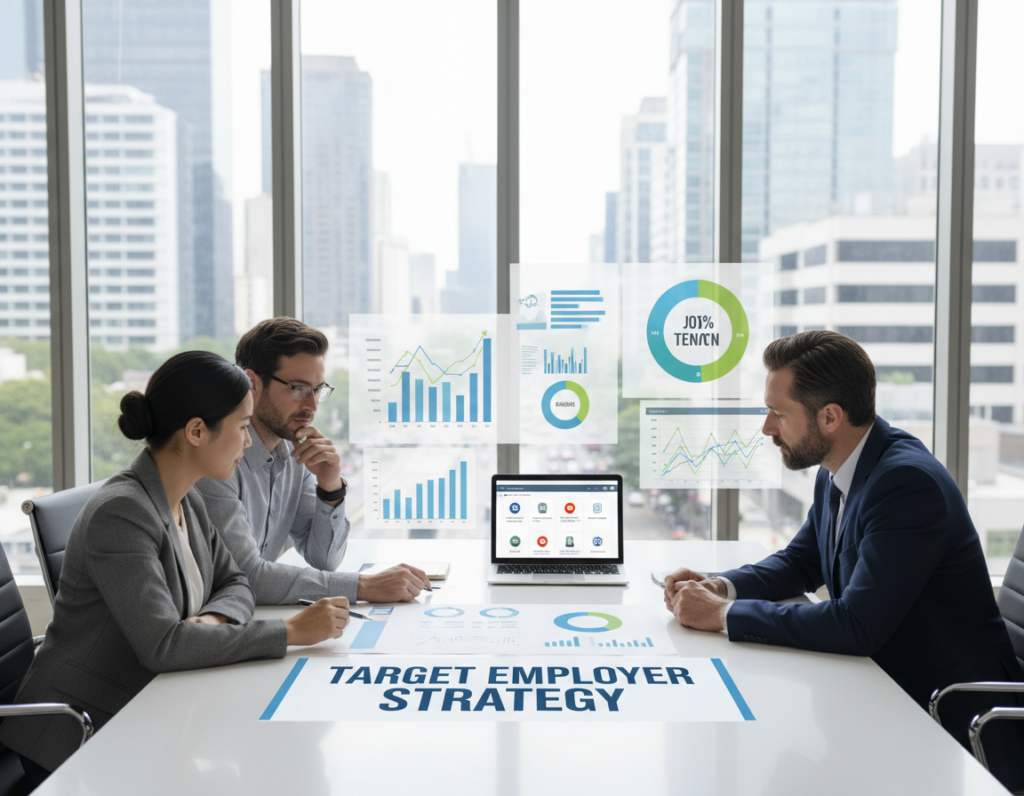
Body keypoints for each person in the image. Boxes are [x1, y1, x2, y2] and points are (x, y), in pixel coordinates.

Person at [663, 330, 1024, 790]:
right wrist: (722, 587)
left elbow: (857, 625)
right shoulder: (840, 467)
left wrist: (724, 616)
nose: (767, 429)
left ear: (830, 416)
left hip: (945, 716)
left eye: (778, 414)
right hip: (884, 692)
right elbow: (800, 561)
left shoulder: (905, 484)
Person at [0, 351, 350, 779]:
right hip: (80, 734)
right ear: (197, 431)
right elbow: (164, 645)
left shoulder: (186, 496)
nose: (247, 441)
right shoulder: (123, 513)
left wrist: (215, 618)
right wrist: (292, 631)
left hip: (148, 709)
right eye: (242, 427)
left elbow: (237, 580)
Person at [195, 317, 428, 605]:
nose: (312, 406)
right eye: (298, 389)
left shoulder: (296, 455)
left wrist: (330, 485)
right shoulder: (216, 460)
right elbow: (245, 576)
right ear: (252, 383)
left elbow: (324, 559)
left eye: (317, 390)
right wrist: (364, 586)